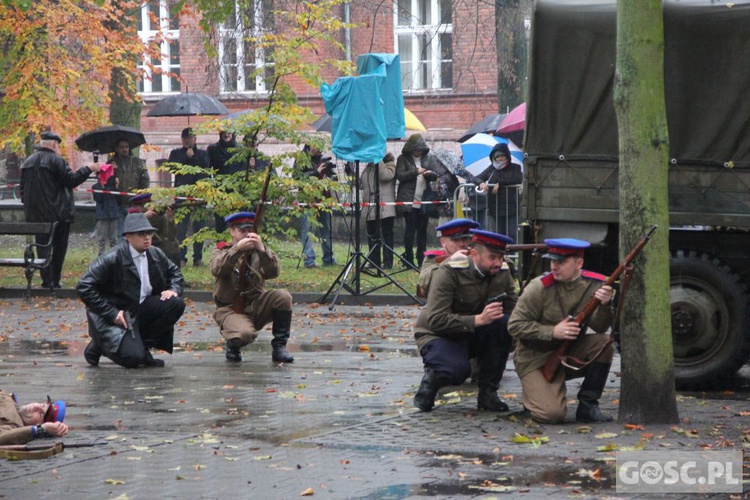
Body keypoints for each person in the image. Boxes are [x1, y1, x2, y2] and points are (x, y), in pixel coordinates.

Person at [507, 238, 615, 424]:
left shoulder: (593, 284)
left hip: (569, 351)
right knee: (551, 415)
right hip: (534, 357)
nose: (554, 266)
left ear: (579, 263)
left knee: (604, 342)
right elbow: (514, 325)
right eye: (553, 261)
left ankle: (588, 405)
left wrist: (605, 305)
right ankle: (534, 397)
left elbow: (599, 326)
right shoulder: (539, 287)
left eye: (561, 262)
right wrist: (552, 331)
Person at [413, 229, 518, 412]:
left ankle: (488, 393)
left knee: (503, 323)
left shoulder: (502, 272)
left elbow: (513, 309)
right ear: (474, 254)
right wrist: (478, 319)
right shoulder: (449, 272)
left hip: (473, 332)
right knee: (455, 371)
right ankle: (432, 379)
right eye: (492, 257)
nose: (498, 263)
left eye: (501, 257)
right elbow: (437, 320)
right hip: (439, 334)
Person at [76, 212, 186, 369]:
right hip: (119, 313)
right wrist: (111, 312)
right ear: (128, 236)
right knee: (133, 359)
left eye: (149, 233)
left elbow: (174, 272)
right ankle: (99, 345)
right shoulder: (112, 258)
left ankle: (143, 347)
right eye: (141, 234)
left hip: (142, 308)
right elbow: (83, 285)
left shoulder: (155, 253)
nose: (147, 237)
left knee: (176, 303)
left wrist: (173, 289)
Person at [19, 131, 101, 289]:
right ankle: (54, 281)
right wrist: (88, 168)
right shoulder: (57, 161)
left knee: (42, 247)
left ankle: (46, 280)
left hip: (36, 216)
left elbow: (22, 189)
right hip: (59, 214)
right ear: (55, 144)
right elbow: (71, 180)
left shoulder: (28, 161)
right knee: (59, 249)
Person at [210, 212, 295, 363]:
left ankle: (279, 348)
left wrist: (262, 251)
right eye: (242, 231)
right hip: (229, 308)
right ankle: (233, 343)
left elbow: (273, 272)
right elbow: (217, 269)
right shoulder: (222, 250)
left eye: (250, 230)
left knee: (283, 297)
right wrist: (237, 250)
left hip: (255, 304)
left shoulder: (260, 251)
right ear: (232, 231)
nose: (247, 234)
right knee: (244, 334)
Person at [395, 134, 439, 268]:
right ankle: (408, 259)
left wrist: (429, 174)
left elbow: (436, 174)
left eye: (420, 149)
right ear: (411, 149)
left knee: (422, 231)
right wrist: (416, 171)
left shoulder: (429, 158)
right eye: (416, 149)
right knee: (410, 230)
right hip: (409, 201)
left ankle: (421, 259)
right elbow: (400, 176)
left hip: (424, 201)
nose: (418, 152)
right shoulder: (402, 159)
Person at [169, 127, 210, 267]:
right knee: (181, 228)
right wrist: (186, 157)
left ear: (195, 139)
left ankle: (197, 257)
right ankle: (181, 257)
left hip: (199, 195)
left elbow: (206, 169)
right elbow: (172, 169)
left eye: (190, 137)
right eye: (185, 138)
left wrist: (194, 157)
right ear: (182, 139)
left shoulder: (203, 154)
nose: (188, 140)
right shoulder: (175, 154)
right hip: (182, 194)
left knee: (199, 227)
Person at [295, 144, 336, 268]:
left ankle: (328, 258)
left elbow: (333, 178)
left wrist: (331, 175)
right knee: (307, 231)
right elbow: (297, 178)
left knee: (326, 230)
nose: (319, 149)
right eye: (317, 146)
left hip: (324, 199)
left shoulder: (323, 160)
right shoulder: (301, 159)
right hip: (307, 199)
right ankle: (309, 261)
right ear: (309, 146)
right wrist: (315, 172)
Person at [417, 218, 480, 298]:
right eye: (455, 240)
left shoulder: (474, 256)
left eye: (465, 239)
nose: (461, 244)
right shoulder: (434, 257)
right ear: (443, 242)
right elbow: (425, 286)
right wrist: (450, 261)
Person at [474, 142, 523, 237]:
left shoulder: (515, 167)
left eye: (503, 156)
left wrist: (501, 183)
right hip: (495, 207)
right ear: (494, 158)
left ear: (507, 157)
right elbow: (476, 178)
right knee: (498, 234)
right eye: (497, 157)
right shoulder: (492, 168)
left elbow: (518, 179)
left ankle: (511, 252)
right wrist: (481, 183)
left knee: (511, 233)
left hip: (511, 207)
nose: (500, 159)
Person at [360, 152, 396, 270]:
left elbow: (384, 176)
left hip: (386, 209)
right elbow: (361, 184)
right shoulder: (368, 168)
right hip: (370, 208)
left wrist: (378, 159)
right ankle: (373, 262)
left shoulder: (390, 165)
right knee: (372, 235)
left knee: (386, 236)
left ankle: (387, 263)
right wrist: (350, 172)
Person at [110, 139, 150, 239]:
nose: (125, 149)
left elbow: (145, 180)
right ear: (117, 148)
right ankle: (122, 253)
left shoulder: (137, 162)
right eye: (122, 147)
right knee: (120, 234)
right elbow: (106, 182)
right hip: (118, 204)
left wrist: (140, 198)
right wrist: (112, 172)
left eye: (126, 147)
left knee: (135, 233)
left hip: (134, 204)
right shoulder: (111, 163)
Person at [129, 193, 181, 267]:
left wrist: (170, 219)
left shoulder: (159, 215)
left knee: (172, 245)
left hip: (157, 245)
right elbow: (131, 232)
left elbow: (170, 236)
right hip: (141, 247)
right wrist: (144, 218)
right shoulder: (133, 215)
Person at [208, 130, 244, 233]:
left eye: (229, 132)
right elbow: (207, 169)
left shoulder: (240, 149)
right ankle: (221, 247)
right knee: (220, 223)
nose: (227, 135)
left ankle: (237, 247)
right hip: (219, 191)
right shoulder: (213, 149)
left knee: (237, 222)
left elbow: (244, 171)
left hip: (236, 191)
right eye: (224, 132)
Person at [0, 391, 68, 445]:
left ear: (38, 425)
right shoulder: (10, 399)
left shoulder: (13, 427)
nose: (37, 407)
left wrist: (40, 430)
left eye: (41, 414)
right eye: (42, 405)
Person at [92, 172, 119, 256]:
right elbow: (98, 199)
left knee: (113, 238)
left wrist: (117, 186)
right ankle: (101, 255)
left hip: (113, 214)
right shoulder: (95, 186)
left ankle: (113, 255)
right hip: (103, 215)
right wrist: (102, 187)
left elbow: (118, 198)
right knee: (102, 238)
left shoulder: (112, 186)